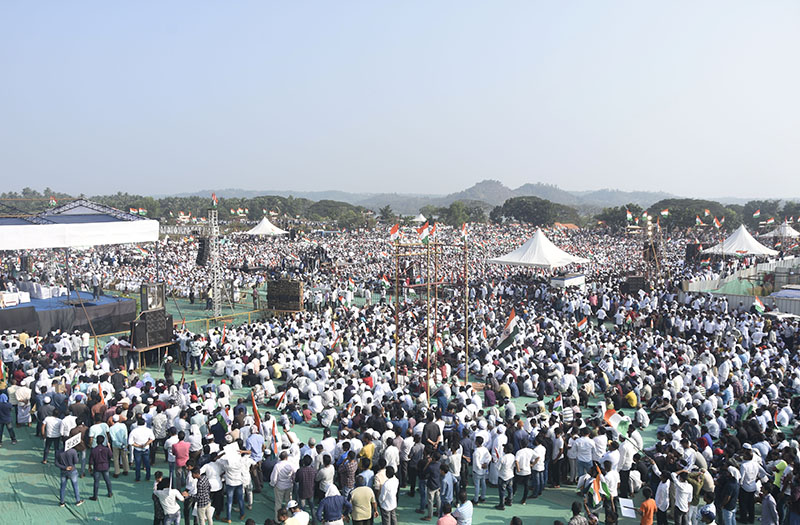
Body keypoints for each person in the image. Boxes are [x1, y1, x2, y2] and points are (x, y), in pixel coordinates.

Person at [129, 416, 156, 481]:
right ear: (144, 423)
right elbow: (152, 438)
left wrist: (138, 446)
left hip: (137, 450)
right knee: (147, 464)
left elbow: (130, 442)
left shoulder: (134, 431)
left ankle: (138, 478)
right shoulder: (148, 430)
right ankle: (148, 477)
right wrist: (146, 444)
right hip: (146, 449)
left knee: (137, 464)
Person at [89, 434, 113, 499]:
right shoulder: (106, 449)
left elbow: (91, 460)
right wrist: (109, 447)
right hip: (105, 466)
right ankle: (110, 492)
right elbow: (111, 456)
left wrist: (90, 467)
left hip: (97, 467)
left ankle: (95, 496)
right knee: (107, 480)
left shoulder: (94, 450)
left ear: (96, 441)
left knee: (96, 482)